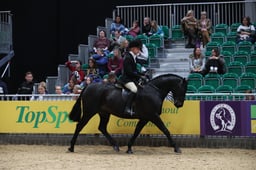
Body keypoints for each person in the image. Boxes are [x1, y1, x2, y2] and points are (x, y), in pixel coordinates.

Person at [119, 39, 147, 115]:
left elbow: (134, 70)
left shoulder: (133, 57)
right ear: (133, 48)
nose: (139, 51)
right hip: (126, 79)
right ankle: (127, 108)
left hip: (131, 78)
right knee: (134, 89)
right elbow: (129, 72)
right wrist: (139, 76)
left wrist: (142, 74)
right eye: (138, 49)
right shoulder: (127, 57)